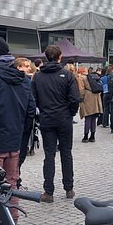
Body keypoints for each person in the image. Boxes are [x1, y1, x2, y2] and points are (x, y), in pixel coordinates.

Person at [0, 37, 36, 221]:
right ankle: (11, 223)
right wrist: (21, 137)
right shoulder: (23, 79)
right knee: (11, 184)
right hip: (14, 143)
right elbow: (30, 112)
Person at [32, 45, 80, 203]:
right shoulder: (67, 75)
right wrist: (70, 113)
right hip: (64, 119)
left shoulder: (38, 77)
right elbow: (74, 99)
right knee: (66, 153)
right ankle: (69, 188)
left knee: (49, 155)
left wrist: (41, 114)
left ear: (46, 57)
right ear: (60, 57)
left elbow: (34, 100)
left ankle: (48, 191)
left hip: (47, 119)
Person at [78, 67, 102, 142]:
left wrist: (81, 98)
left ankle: (85, 136)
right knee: (93, 118)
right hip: (96, 98)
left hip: (87, 98)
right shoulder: (94, 77)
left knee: (88, 117)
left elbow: (81, 90)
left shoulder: (82, 78)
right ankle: (92, 136)